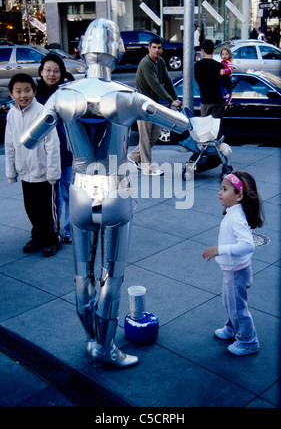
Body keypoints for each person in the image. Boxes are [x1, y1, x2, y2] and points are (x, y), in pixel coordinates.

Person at [21, 19, 189, 368]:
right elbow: (182, 124)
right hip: (115, 189)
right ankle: (106, 347)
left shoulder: (63, 95)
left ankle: (91, 340)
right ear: (116, 52)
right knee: (113, 274)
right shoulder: (127, 96)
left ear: (83, 50)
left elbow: (29, 139)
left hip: (81, 189)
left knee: (83, 274)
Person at [202, 171, 264, 356]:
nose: (220, 193)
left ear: (239, 195)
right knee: (230, 303)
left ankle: (248, 341)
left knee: (237, 307)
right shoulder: (233, 212)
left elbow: (247, 245)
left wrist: (221, 250)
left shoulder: (237, 218)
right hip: (232, 269)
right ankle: (232, 328)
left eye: (225, 189)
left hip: (236, 271)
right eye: (221, 188)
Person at [5, 73, 61, 257]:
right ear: (11, 94)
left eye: (27, 90)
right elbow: (10, 143)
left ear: (34, 91)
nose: (23, 95)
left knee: (48, 209)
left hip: (44, 172)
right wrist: (11, 171)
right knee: (31, 208)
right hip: (25, 172)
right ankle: (38, 236)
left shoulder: (42, 112)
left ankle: (53, 239)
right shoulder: (12, 114)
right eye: (18, 91)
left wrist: (52, 172)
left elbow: (52, 145)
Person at [127, 37, 182, 175]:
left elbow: (168, 81)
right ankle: (147, 168)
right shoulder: (146, 63)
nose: (157, 50)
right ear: (149, 48)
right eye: (154, 47)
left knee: (155, 134)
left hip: (153, 105)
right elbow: (155, 85)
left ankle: (134, 156)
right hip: (142, 106)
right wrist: (170, 100)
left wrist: (175, 99)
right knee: (145, 137)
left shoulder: (160, 62)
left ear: (162, 49)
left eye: (159, 48)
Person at [36, 53, 74, 244]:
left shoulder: (65, 93)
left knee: (69, 192)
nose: (52, 74)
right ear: (41, 71)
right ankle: (53, 231)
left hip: (65, 152)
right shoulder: (34, 94)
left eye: (56, 71)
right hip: (44, 154)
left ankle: (68, 229)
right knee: (52, 196)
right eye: (48, 70)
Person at [195, 39, 227, 120]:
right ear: (213, 50)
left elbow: (197, 79)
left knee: (204, 129)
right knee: (215, 129)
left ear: (203, 51)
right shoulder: (220, 66)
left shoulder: (198, 65)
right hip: (217, 100)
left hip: (205, 101)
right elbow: (227, 82)